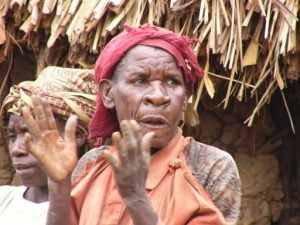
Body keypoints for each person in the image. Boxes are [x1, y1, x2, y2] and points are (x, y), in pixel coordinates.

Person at [23, 24, 241, 225]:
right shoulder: (93, 163)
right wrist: (59, 185)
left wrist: (136, 197)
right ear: (108, 93)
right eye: (140, 80)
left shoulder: (209, 166)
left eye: (172, 82)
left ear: (186, 97)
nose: (158, 96)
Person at [0, 66, 98, 225]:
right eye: (12, 136)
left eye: (32, 135)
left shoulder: (93, 210)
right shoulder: (3, 199)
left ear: (77, 135)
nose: (17, 149)